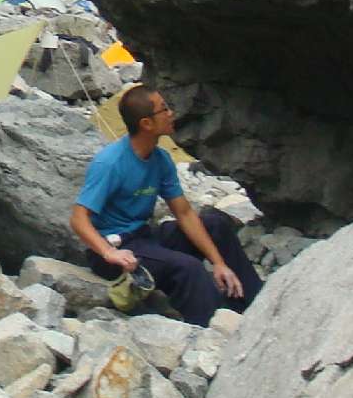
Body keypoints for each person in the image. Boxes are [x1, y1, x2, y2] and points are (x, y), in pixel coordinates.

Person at [70, 85, 260, 328]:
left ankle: (255, 305)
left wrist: (219, 263)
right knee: (188, 268)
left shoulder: (161, 159)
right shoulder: (110, 163)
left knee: (215, 225)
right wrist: (109, 252)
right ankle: (211, 330)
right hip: (115, 251)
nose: (171, 113)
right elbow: (78, 219)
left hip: (144, 237)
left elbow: (184, 213)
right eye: (164, 109)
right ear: (146, 124)